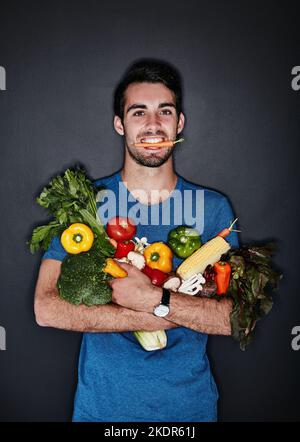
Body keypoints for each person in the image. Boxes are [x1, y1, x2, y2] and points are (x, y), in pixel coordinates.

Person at [34, 59, 239, 422]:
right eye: (138, 112)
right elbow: (46, 308)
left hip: (189, 412)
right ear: (120, 124)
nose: (153, 125)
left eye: (165, 111)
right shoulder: (88, 204)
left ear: (180, 123)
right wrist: (148, 312)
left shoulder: (213, 210)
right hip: (102, 411)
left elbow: (233, 318)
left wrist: (155, 299)